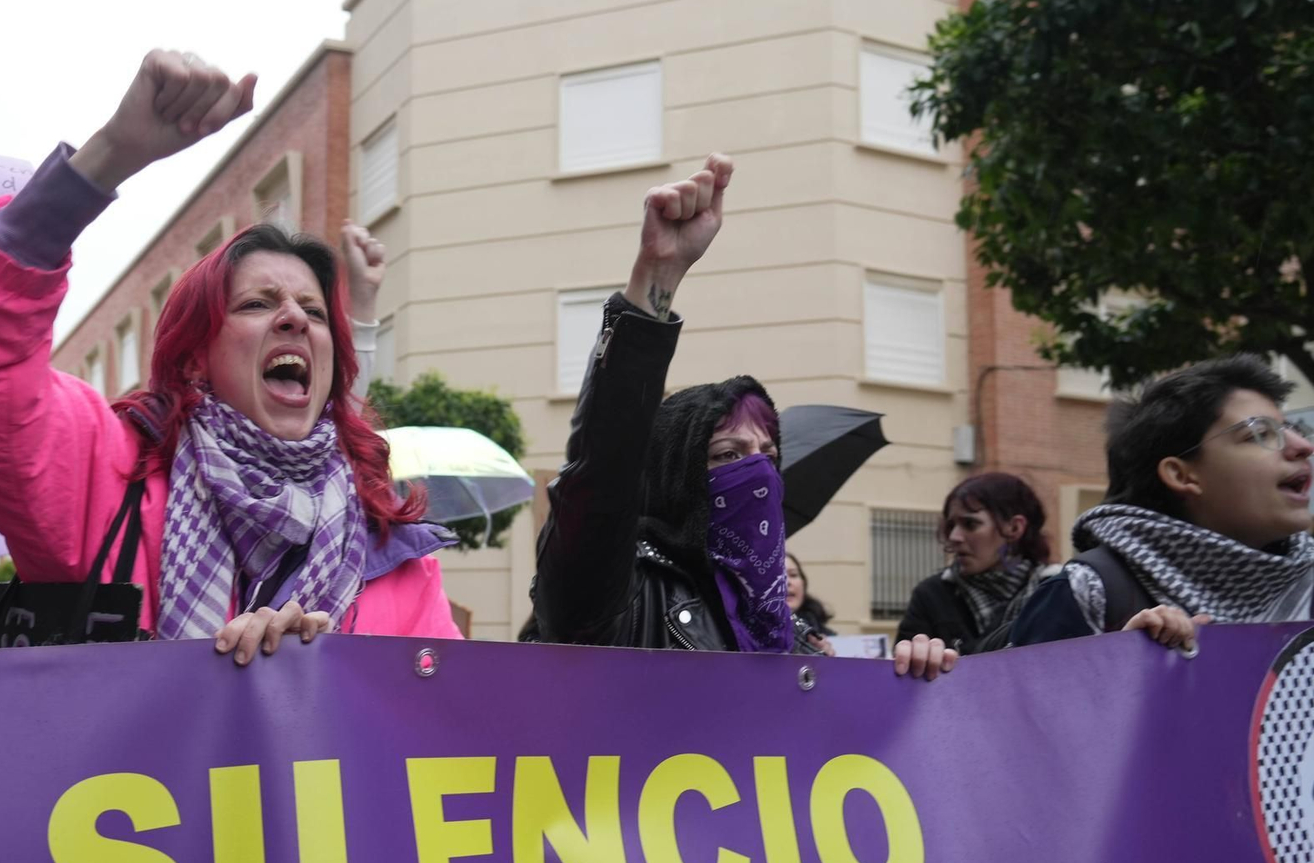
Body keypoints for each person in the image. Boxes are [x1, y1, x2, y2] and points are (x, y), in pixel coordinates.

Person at [0, 50, 460, 665]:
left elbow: (440, 724)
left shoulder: (395, 547)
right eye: (257, 304)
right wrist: (112, 153)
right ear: (196, 359)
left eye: (315, 311)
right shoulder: (103, 477)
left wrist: (324, 685)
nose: (296, 318)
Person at [532, 160, 955, 680]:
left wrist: (911, 685)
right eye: (727, 456)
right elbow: (603, 472)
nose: (758, 475)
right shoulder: (613, 592)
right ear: (674, 475)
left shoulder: (790, 631)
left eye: (769, 457)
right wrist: (658, 277)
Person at [1012, 355, 1314, 652]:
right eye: (1260, 434)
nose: (1303, 447)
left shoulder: (1307, 581)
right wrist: (1122, 662)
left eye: (1292, 431)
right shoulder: (1089, 592)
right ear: (1182, 475)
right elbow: (1025, 699)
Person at [897, 472, 1058, 653]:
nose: (954, 536)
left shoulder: (1055, 591)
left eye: (970, 524)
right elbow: (902, 675)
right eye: (951, 525)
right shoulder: (931, 595)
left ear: (1014, 528)